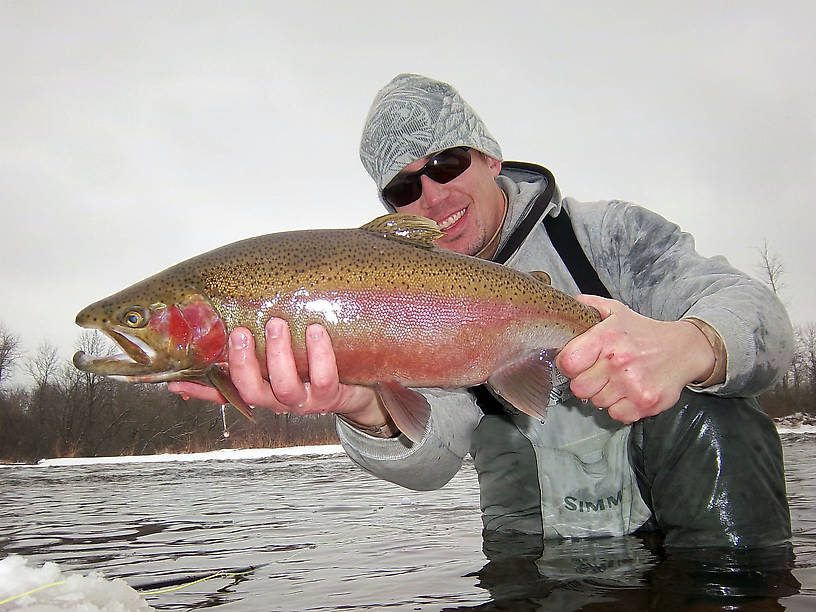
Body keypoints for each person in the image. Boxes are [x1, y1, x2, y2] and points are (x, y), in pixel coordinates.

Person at [169, 73, 794, 548]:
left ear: (491, 158)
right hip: (538, 544)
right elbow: (434, 455)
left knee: (716, 406)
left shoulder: (608, 236)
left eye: (447, 163)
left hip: (702, 524)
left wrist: (688, 347)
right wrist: (364, 406)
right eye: (404, 187)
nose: (433, 195)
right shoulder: (396, 298)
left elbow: (759, 319)